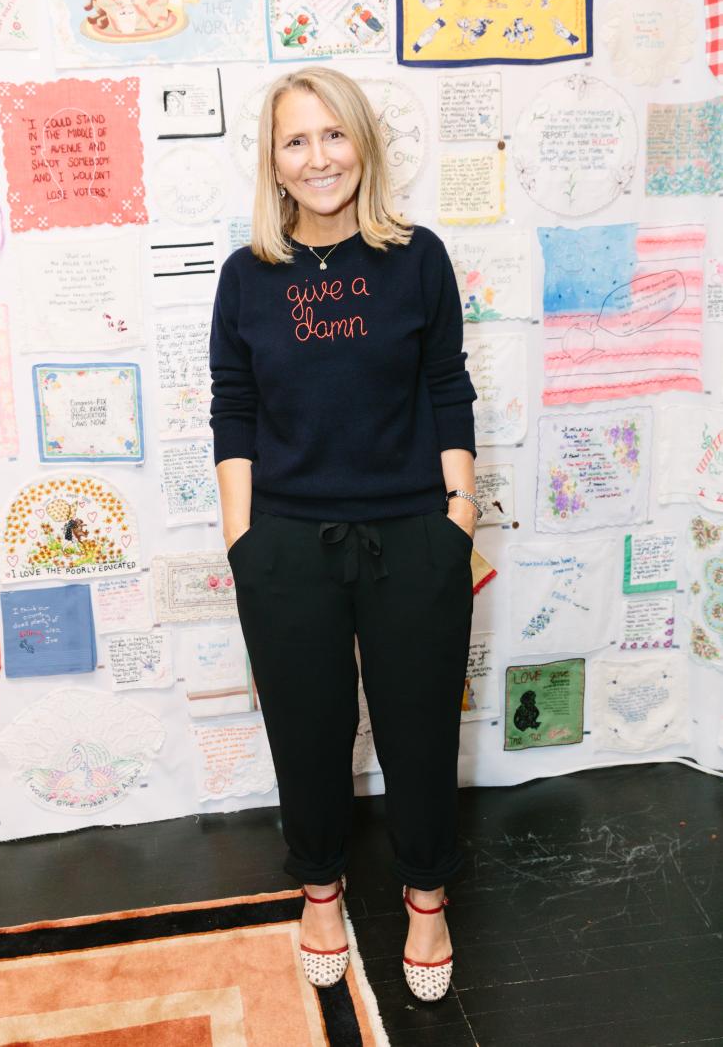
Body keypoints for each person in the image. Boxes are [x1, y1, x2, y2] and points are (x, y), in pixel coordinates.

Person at [208, 67, 479, 1002]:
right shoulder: (248, 276)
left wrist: (460, 514)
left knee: (415, 733)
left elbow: (446, 384)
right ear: (273, 164)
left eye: (334, 135)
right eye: (296, 140)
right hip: (286, 545)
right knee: (307, 733)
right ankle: (319, 891)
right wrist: (243, 540)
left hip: (411, 535)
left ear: (362, 144)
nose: (317, 156)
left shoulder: (416, 256)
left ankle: (426, 898)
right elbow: (232, 409)